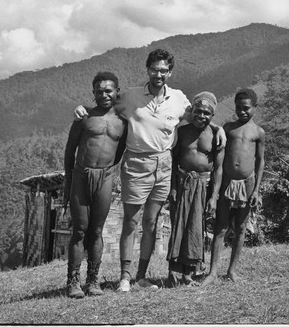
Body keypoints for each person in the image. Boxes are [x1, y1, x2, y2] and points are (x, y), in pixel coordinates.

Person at [73, 49, 226, 292]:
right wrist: (81, 109)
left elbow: (197, 115)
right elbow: (105, 104)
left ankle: (141, 276)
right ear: (147, 70)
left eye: (164, 70)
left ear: (170, 72)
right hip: (136, 163)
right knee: (131, 222)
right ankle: (125, 276)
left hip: (164, 164)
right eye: (154, 69)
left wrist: (218, 127)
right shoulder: (131, 96)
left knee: (152, 222)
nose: (159, 74)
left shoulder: (177, 98)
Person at [64, 72, 127, 298]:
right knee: (80, 230)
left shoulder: (123, 122)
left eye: (108, 90)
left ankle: (92, 281)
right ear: (93, 93)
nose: (104, 95)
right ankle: (73, 282)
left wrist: (106, 170)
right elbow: (70, 150)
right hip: (82, 176)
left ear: (117, 91)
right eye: (99, 91)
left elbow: (119, 152)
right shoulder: (84, 117)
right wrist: (68, 182)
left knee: (97, 230)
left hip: (106, 177)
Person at [202, 88, 265, 286]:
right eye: (239, 108)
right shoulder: (228, 128)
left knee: (240, 228)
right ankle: (212, 272)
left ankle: (232, 271)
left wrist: (256, 190)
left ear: (255, 108)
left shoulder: (258, 132)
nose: (242, 112)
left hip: (247, 184)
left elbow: (260, 161)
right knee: (220, 227)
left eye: (246, 108)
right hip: (227, 183)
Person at [166, 92, 224, 287]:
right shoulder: (182, 132)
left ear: (212, 115)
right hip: (182, 183)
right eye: (198, 111)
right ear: (192, 111)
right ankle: (174, 272)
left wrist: (214, 197)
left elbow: (219, 168)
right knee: (178, 226)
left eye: (207, 113)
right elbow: (174, 162)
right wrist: (173, 187)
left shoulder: (216, 136)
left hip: (202, 186)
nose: (202, 116)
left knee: (195, 229)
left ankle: (189, 273)